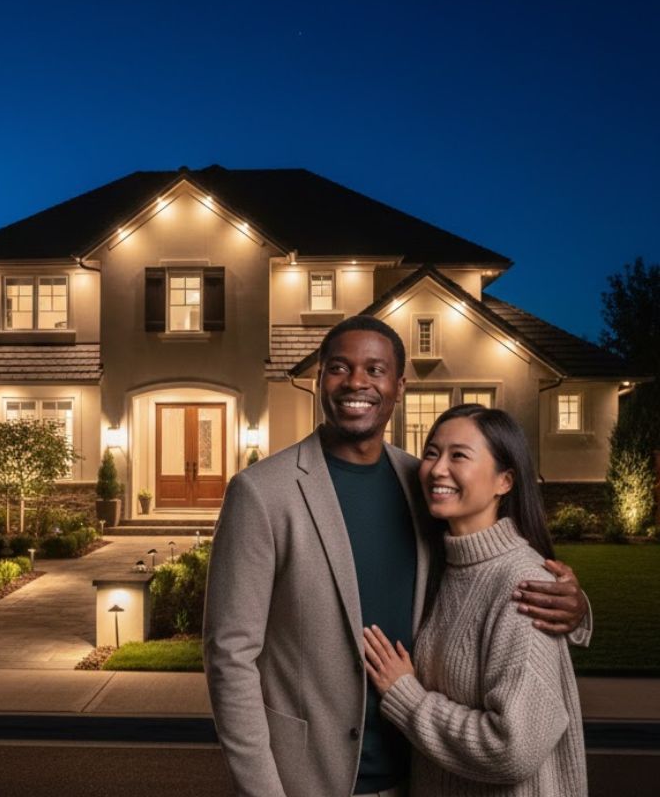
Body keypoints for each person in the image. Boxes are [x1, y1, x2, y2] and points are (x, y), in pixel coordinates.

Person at [203, 315, 589, 797]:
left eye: (375, 369)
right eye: (339, 368)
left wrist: (572, 607)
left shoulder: (422, 483)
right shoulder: (261, 492)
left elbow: (485, 574)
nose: (357, 382)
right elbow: (229, 656)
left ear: (399, 386)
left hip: (424, 772)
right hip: (310, 778)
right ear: (320, 378)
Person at [362, 404, 587, 795]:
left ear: (505, 481)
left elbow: (512, 747)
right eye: (431, 452)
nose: (437, 469)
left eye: (459, 455)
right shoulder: (444, 565)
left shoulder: (525, 586)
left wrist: (407, 697)